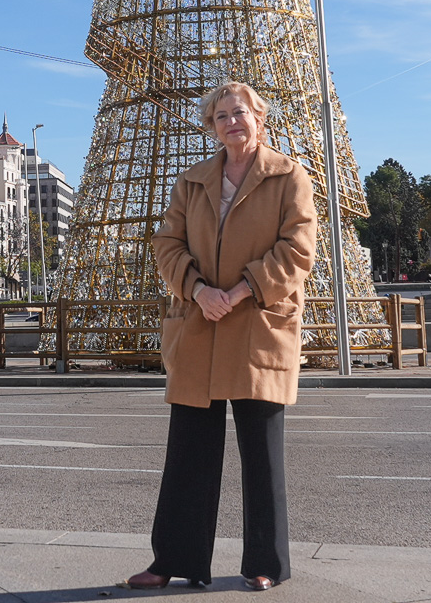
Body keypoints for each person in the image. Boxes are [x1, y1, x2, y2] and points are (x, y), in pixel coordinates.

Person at [128, 80, 316, 592]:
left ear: (260, 117)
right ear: (212, 126)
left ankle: (265, 563)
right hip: (199, 329)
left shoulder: (289, 177)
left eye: (240, 112)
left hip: (257, 327)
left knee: (262, 455)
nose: (232, 122)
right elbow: (166, 243)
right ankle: (172, 561)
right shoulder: (191, 182)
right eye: (221, 116)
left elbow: (297, 251)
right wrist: (197, 290)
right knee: (187, 454)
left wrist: (236, 292)